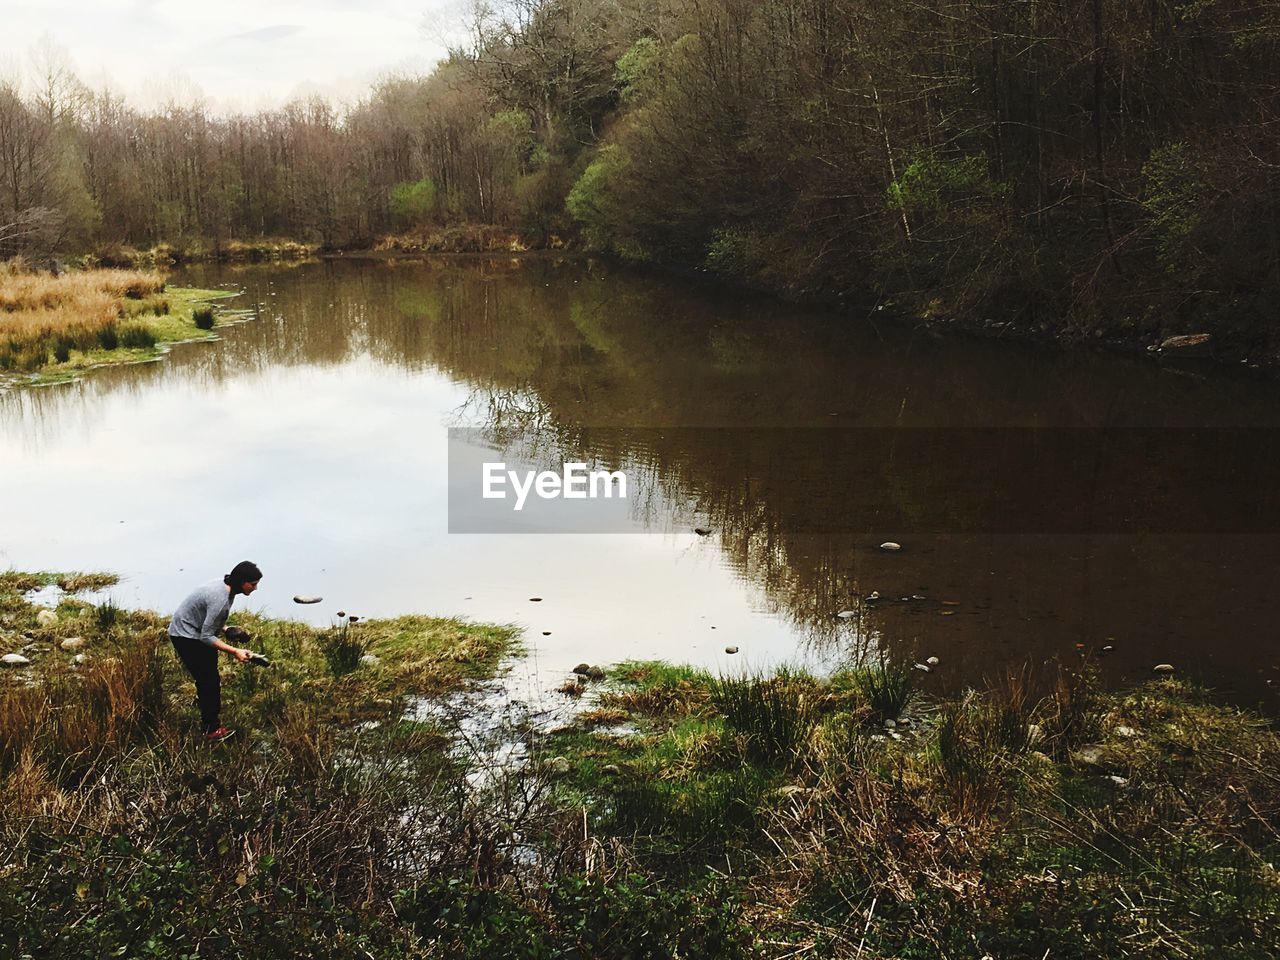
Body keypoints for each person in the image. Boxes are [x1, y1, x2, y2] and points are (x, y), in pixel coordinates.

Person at [168, 561, 261, 741]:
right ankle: (210, 729)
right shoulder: (220, 598)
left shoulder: (226, 586)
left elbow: (207, 616)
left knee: (209, 678)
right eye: (253, 584)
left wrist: (226, 630)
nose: (256, 588)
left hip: (193, 630)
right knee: (208, 681)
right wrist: (235, 651)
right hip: (186, 636)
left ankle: (207, 712)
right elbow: (206, 637)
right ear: (242, 582)